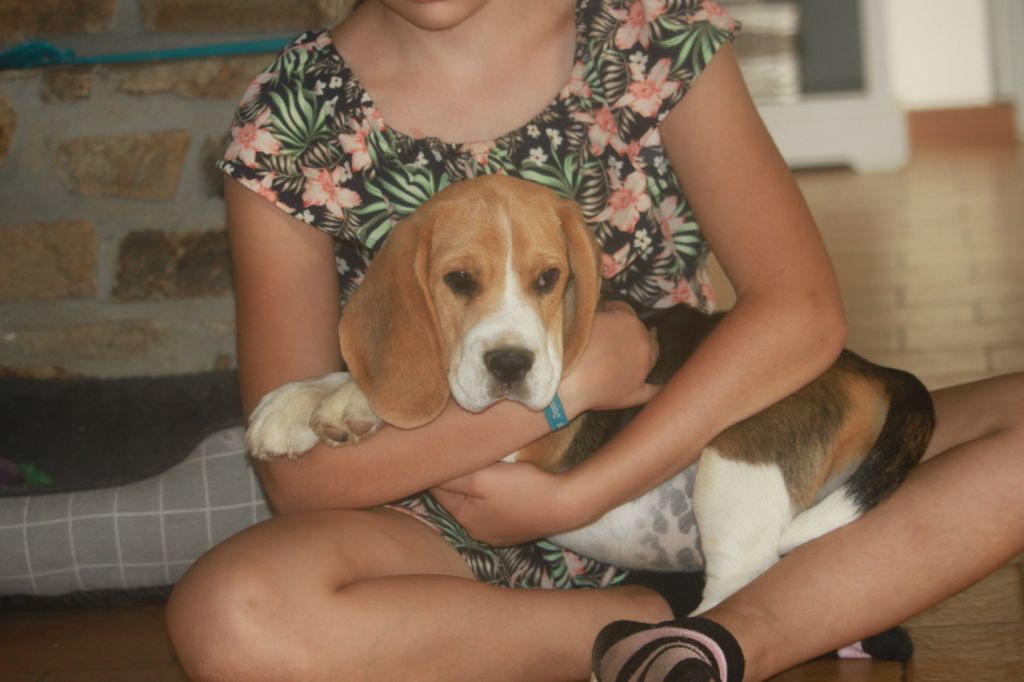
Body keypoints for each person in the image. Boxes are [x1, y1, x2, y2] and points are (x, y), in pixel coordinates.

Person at [165, 1, 1024, 680]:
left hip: (703, 431)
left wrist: (585, 491)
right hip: (446, 529)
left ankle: (738, 623)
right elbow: (299, 478)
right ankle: (691, 624)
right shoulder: (290, 117)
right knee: (233, 615)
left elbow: (801, 312)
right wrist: (565, 395)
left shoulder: (646, 26)